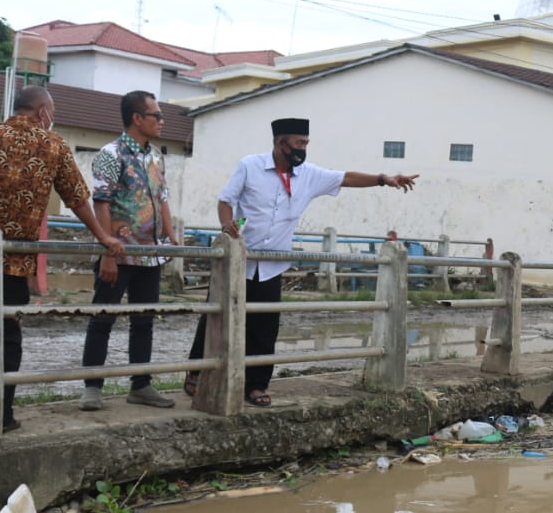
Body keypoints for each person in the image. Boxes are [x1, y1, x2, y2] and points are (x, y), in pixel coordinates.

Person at [187, 117, 418, 405]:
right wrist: (226, 225)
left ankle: (256, 385)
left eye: (306, 143)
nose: (303, 149)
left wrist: (384, 179)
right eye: (299, 143)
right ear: (281, 143)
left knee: (264, 327)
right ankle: (196, 373)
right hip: (238, 258)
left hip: (272, 266)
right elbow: (226, 200)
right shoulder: (250, 165)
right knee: (215, 318)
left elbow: (345, 177)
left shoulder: (309, 174)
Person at [0, 86, 123, 432]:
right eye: (52, 111)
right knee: (6, 335)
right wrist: (103, 236)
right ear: (41, 112)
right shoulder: (54, 145)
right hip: (11, 259)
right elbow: (78, 198)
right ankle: (2, 414)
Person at [78, 91, 176, 412]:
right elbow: (101, 203)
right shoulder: (111, 153)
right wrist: (107, 251)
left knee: (144, 320)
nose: (162, 121)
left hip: (150, 254)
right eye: (156, 116)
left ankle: (141, 384)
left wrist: (172, 238)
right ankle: (92, 387)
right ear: (137, 118)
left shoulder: (156, 156)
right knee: (102, 319)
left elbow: (161, 199)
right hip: (118, 252)